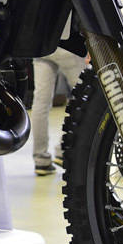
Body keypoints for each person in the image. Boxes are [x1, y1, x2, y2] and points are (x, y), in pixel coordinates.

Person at [31, 46, 88, 176]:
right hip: (68, 46)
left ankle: (41, 160)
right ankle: (63, 150)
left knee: (41, 103)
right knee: (84, 97)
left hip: (41, 46)